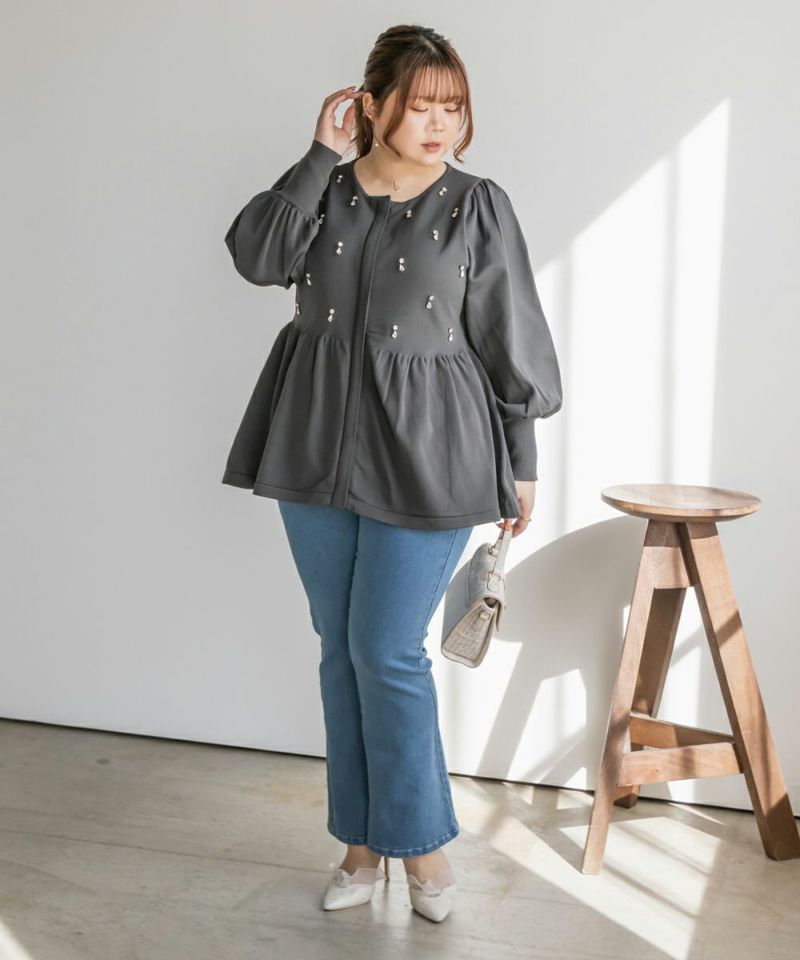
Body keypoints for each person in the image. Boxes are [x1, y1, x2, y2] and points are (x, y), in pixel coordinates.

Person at [221, 24, 563, 922]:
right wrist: (317, 155)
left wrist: (522, 459)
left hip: (432, 454)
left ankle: (423, 850)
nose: (441, 125)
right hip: (313, 445)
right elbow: (257, 258)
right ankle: (359, 846)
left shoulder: (477, 204)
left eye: (454, 108)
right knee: (341, 650)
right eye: (421, 107)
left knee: (386, 652)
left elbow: (509, 332)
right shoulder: (324, 192)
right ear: (371, 106)